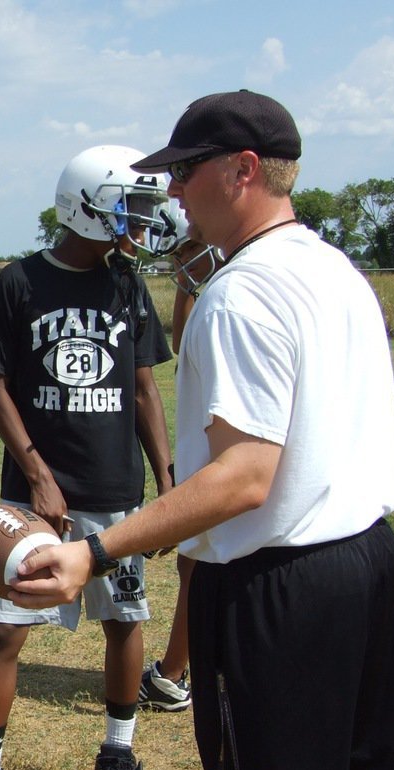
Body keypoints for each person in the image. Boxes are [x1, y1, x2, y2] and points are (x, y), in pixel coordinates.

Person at [10, 91, 394, 770]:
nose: (175, 193)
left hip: (283, 581)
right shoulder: (332, 266)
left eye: (185, 172)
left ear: (244, 170)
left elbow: (244, 476)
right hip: (364, 559)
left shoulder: (243, 292)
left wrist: (94, 550)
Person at [0, 145, 175, 770]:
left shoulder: (127, 284)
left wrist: (168, 481)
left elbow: (145, 385)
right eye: (131, 206)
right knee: (5, 630)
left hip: (117, 491)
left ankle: (118, 757)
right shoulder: (21, 281)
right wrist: (36, 473)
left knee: (123, 620)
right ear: (86, 205)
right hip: (36, 503)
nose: (142, 222)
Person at [138, 203, 220, 713]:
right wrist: (188, 289)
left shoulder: (236, 293)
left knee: (197, 562)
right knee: (197, 561)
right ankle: (177, 668)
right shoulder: (217, 290)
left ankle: (172, 673)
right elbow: (180, 343)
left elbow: (184, 344)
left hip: (221, 446)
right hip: (212, 442)